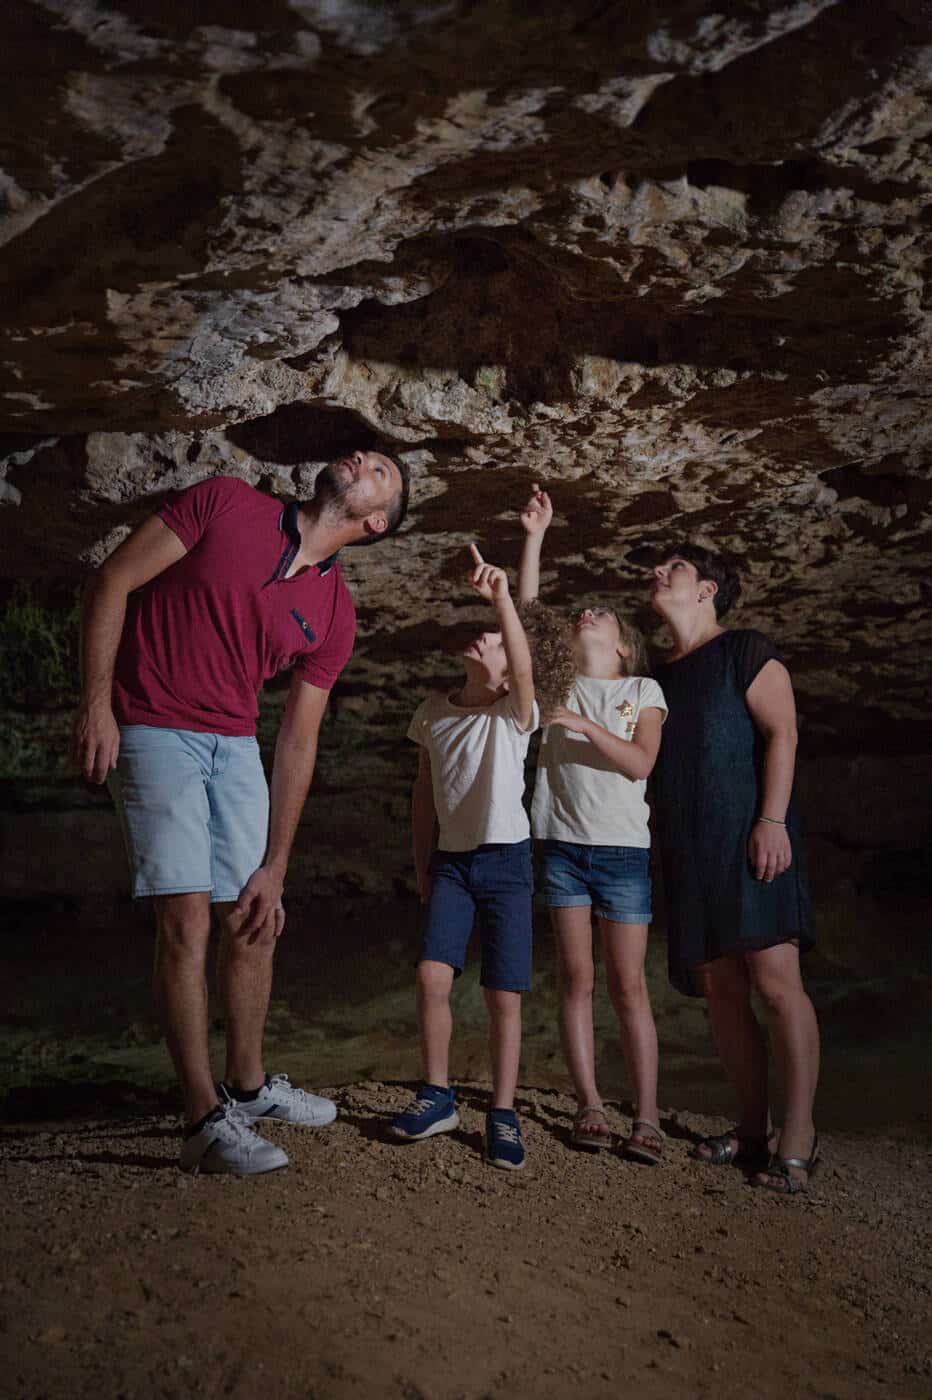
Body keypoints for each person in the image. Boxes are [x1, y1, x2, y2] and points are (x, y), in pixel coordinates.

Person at [72, 449, 410, 1175]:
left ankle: (249, 1088)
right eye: (363, 454)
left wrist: (277, 864)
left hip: (235, 744)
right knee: (186, 920)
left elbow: (297, 739)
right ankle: (200, 1118)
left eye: (380, 470)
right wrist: (96, 704)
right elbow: (113, 580)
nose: (360, 460)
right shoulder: (226, 502)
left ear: (375, 522)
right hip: (153, 726)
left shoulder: (335, 612)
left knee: (255, 916)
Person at [389, 545, 570, 1171]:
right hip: (453, 864)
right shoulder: (433, 714)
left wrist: (502, 599)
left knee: (504, 995)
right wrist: (422, 863)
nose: (484, 640)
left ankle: (502, 1111)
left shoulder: (515, 714)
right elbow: (422, 794)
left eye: (494, 639)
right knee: (431, 977)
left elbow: (524, 672)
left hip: (506, 864)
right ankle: (438, 1095)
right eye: (487, 635)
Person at [649, 544, 819, 1195]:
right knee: (722, 990)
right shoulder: (657, 678)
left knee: (776, 982)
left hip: (751, 839)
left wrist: (772, 822)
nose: (659, 576)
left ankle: (797, 1137)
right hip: (690, 850)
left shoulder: (747, 650)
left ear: (708, 590)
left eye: (676, 570)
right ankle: (751, 1130)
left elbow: (783, 733)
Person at [519, 485, 668, 1163]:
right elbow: (523, 616)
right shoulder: (556, 681)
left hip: (622, 855)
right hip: (562, 850)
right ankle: (590, 1107)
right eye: (588, 609)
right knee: (575, 980)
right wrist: (535, 535)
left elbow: (641, 764)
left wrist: (578, 724)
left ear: (623, 649)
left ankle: (648, 1117)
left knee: (628, 985)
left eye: (604, 614)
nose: (591, 612)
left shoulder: (641, 692)